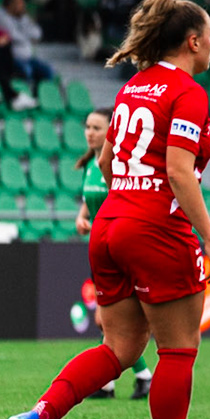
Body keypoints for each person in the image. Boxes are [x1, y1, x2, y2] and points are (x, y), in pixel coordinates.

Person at [2, 0, 210, 419]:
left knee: (120, 346)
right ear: (193, 42)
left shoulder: (132, 89)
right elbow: (178, 171)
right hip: (154, 227)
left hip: (109, 224)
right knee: (178, 349)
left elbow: (106, 164)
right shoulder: (187, 92)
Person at [73, 107, 154, 401]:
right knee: (108, 321)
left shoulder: (118, 163)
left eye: (97, 127)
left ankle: (137, 377)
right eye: (87, 126)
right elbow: (88, 202)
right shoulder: (89, 165)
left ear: (111, 131)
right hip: (99, 251)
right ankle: (118, 381)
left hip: (118, 250)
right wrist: (82, 219)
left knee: (109, 320)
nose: (90, 132)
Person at [0, 0, 54, 85]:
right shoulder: (0, 16)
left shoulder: (22, 16)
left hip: (28, 57)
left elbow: (38, 33)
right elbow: (14, 36)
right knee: (26, 71)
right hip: (12, 58)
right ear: (10, 5)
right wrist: (28, 36)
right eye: (19, 3)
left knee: (48, 71)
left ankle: (40, 96)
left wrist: (24, 33)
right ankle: (26, 95)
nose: (23, 6)